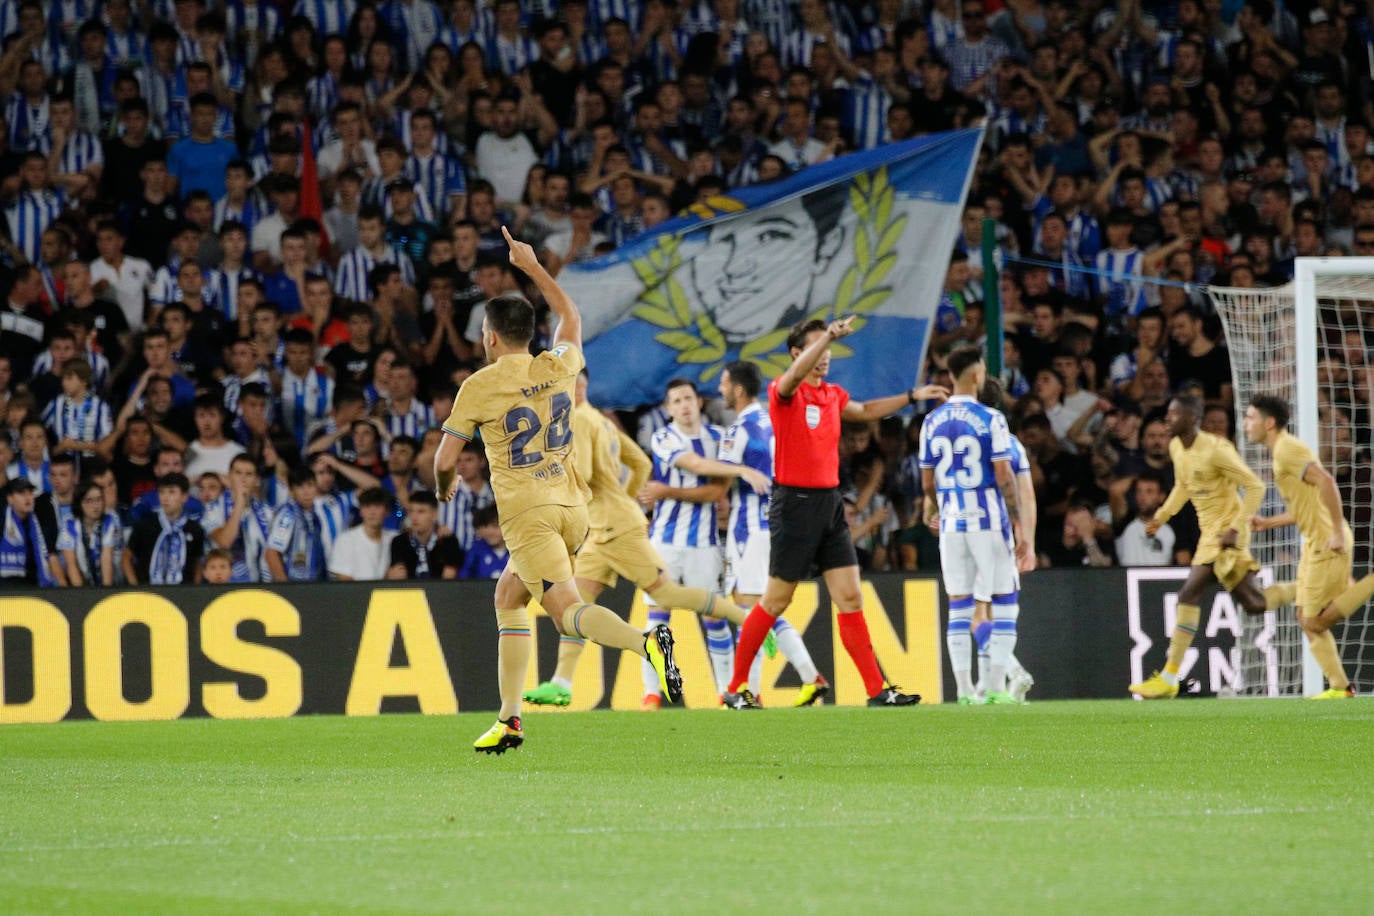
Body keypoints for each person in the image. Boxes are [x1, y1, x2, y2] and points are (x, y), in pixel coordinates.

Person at [434, 227, 681, 755]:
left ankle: (646, 645)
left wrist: (444, 483)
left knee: (566, 610)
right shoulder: (560, 365)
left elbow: (444, 460)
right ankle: (509, 720)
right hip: (574, 508)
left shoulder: (479, 385)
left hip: (532, 515)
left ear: (492, 337)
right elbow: (572, 315)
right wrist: (531, 267)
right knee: (508, 596)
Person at [723, 317, 947, 710]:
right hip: (794, 505)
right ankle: (736, 687)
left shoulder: (831, 395)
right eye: (816, 347)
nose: (825, 356)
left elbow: (866, 409)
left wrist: (912, 396)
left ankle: (877, 690)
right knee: (775, 601)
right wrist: (828, 333)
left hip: (829, 505)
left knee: (850, 597)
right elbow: (792, 377)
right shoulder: (782, 392)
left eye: (827, 349)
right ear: (797, 353)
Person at [521, 369, 761, 710]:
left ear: (577, 386)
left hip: (617, 528)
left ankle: (750, 621)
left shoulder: (582, 423)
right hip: (608, 527)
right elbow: (639, 464)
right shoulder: (603, 422)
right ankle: (562, 683)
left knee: (667, 595)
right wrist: (625, 499)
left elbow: (584, 475)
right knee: (573, 605)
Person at [1129, 395, 1296, 699]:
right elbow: (1183, 486)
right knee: (1254, 604)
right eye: (1167, 413)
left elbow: (1256, 486)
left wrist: (1237, 527)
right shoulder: (1176, 447)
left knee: (1190, 593)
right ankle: (1305, 588)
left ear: (1192, 418)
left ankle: (1168, 677)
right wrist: (1162, 516)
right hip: (1210, 536)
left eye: (1174, 414)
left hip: (1230, 533)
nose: (1168, 419)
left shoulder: (1217, 450)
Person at [714, 360, 828, 706]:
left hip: (750, 528)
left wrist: (739, 471)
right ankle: (801, 679)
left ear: (737, 389)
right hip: (780, 523)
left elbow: (719, 477)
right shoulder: (778, 421)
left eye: (723, 384)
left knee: (751, 609)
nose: (720, 390)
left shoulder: (740, 429)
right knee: (765, 608)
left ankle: (757, 689)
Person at [920, 346, 1027, 706]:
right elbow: (1003, 474)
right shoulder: (992, 418)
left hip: (951, 523)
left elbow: (926, 482)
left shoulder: (931, 421)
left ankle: (965, 691)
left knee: (959, 605)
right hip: (987, 521)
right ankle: (996, 686)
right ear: (978, 374)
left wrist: (932, 508)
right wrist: (1019, 524)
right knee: (1005, 600)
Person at [1246, 397, 1374, 698]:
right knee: (1306, 619)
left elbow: (1327, 482)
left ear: (1269, 423)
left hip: (1326, 541)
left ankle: (1341, 687)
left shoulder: (1288, 450)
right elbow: (1307, 505)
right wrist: (1268, 522)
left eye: (1251, 418)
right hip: (1315, 540)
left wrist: (1337, 534)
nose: (1246, 424)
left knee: (1314, 620)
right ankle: (1341, 688)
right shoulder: (1281, 452)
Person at [970, 377, 1036, 703]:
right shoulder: (1012, 443)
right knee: (996, 613)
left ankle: (1013, 671)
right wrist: (1029, 540)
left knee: (976, 617)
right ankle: (987, 685)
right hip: (1005, 536)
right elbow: (1027, 497)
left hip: (973, 531)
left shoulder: (967, 441)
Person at [122, 472, 205, 585]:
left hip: (184, 594)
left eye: (171, 492)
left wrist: (196, 590)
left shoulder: (194, 529)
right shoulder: (145, 525)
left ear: (184, 497)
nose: (165, 498)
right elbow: (126, 557)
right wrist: (135, 587)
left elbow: (198, 563)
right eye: (161, 492)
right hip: (148, 592)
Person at [202, 453, 272, 582]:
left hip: (255, 586)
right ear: (229, 476)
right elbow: (224, 542)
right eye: (238, 473)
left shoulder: (266, 512)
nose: (243, 479)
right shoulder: (213, 509)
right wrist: (240, 504)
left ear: (256, 480)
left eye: (248, 474)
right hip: (219, 585)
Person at [264, 466, 329, 582]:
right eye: (300, 487)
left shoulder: (314, 515)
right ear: (291, 491)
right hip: (294, 585)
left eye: (310, 485)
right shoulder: (288, 515)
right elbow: (271, 553)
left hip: (312, 585)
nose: (306, 492)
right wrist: (286, 588)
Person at [58, 478, 118, 587]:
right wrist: (82, 596)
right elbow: (71, 565)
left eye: (99, 499)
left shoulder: (109, 520)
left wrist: (105, 592)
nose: (96, 506)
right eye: (89, 501)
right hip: (78, 583)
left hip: (106, 581)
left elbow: (107, 559)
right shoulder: (69, 524)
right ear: (79, 503)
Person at [388, 490, 462, 579]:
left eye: (421, 511)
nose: (414, 517)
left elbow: (449, 578)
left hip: (440, 592)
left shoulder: (448, 541)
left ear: (434, 515)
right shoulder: (399, 542)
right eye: (411, 511)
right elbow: (396, 575)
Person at [328, 486, 397, 580]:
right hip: (355, 593)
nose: (372, 512)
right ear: (361, 511)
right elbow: (344, 582)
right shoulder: (346, 540)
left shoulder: (396, 539)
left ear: (387, 511)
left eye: (377, 506)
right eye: (367, 506)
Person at [0, 478, 56, 587]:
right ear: (10, 499)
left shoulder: (36, 522)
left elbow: (42, 556)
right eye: (21, 493)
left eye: (30, 493)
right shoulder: (2, 520)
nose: (28, 498)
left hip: (27, 583)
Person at [459, 504, 508, 579]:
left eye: (495, 526)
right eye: (486, 526)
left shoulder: (518, 552)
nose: (490, 532)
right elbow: (462, 582)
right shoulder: (475, 550)